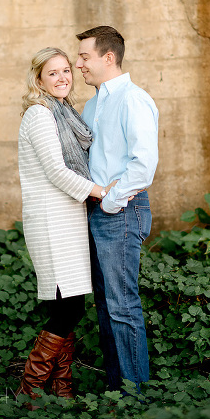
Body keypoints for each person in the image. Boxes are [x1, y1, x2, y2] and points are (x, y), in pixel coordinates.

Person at [16, 47, 116, 402]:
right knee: (68, 307)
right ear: (39, 80)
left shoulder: (64, 112)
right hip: (51, 221)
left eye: (65, 71)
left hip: (68, 218)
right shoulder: (40, 115)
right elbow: (57, 172)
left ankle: (63, 390)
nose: (62, 78)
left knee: (67, 307)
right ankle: (29, 392)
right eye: (52, 73)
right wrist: (99, 191)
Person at [75, 26, 159, 392]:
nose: (78, 64)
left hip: (122, 210)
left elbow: (144, 164)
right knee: (107, 308)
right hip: (98, 212)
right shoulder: (92, 105)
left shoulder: (133, 100)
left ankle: (135, 396)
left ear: (108, 57)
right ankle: (117, 390)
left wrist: (109, 201)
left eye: (84, 57)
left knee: (122, 306)